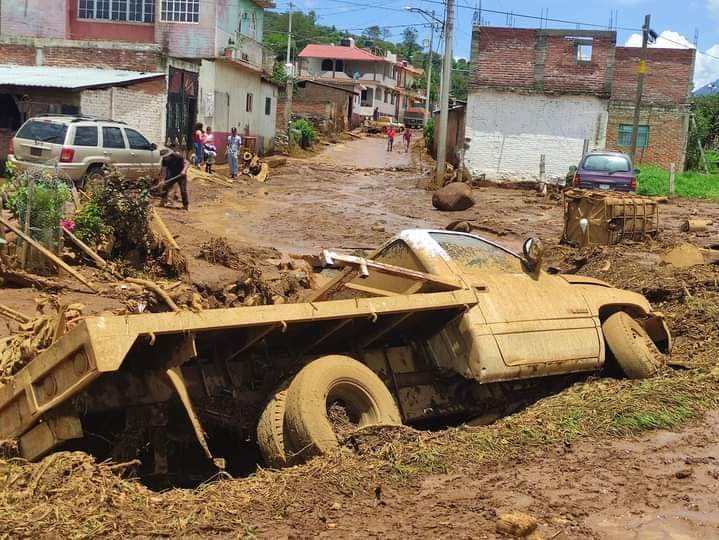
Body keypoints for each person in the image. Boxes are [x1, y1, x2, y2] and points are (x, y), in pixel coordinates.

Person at [159, 145, 189, 210]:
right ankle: (162, 202)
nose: (165, 158)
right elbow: (164, 170)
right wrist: (163, 180)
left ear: (169, 155)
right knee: (165, 186)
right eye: (164, 157)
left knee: (183, 190)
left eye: (166, 157)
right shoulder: (164, 160)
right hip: (172, 175)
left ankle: (185, 206)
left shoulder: (177, 156)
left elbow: (187, 163)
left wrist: (183, 171)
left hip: (181, 175)